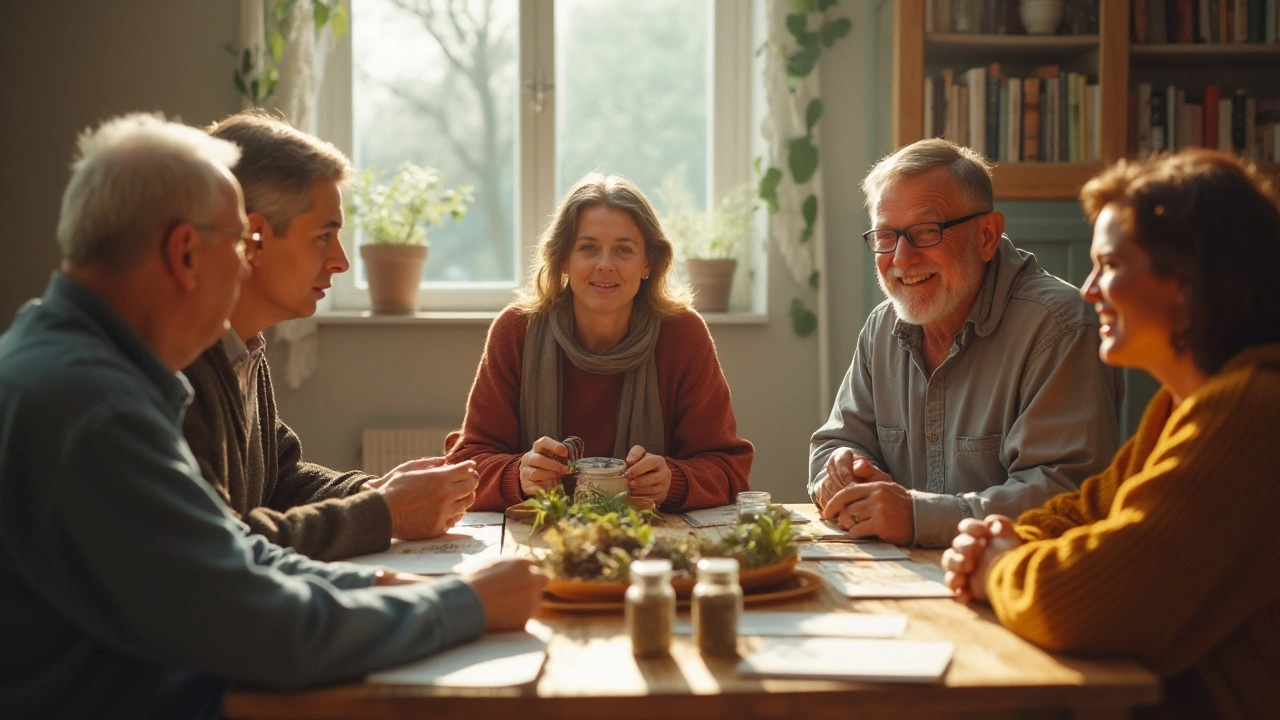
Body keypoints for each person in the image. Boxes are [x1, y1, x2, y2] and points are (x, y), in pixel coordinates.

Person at [0, 113, 545, 718]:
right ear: (185, 253)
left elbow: (232, 551)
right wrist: (461, 605)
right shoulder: (96, 409)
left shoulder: (81, 362)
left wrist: (382, 585)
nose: (243, 267)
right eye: (240, 243)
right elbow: (262, 627)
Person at [941, 150, 1280, 718]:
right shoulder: (1183, 406)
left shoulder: (1253, 408)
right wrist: (1003, 537)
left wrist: (999, 563)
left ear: (1189, 278)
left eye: (1111, 264)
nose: (1089, 289)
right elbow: (1089, 511)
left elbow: (1091, 602)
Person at [181, 109, 478, 562]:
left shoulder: (242, 349)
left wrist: (375, 490)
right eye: (324, 236)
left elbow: (282, 480)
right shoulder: (179, 366)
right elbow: (220, 549)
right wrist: (384, 512)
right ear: (254, 237)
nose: (340, 261)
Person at [809, 138, 1123, 547]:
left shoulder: (1060, 327)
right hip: (904, 580)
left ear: (987, 235)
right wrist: (843, 472)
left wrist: (917, 516)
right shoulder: (881, 327)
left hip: (1019, 584)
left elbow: (1064, 494)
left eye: (926, 232)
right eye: (886, 236)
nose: (902, 259)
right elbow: (836, 441)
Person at [448, 172, 753, 512]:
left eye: (623, 250)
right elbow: (467, 464)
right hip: (537, 540)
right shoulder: (516, 331)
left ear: (648, 263)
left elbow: (729, 470)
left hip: (651, 546)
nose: (605, 265)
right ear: (564, 259)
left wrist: (674, 481)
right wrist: (517, 475)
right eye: (588, 248)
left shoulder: (683, 335)